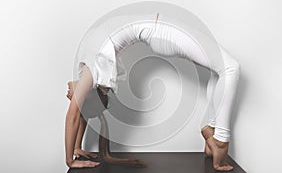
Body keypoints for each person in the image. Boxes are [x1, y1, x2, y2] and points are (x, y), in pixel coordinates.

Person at [65, 20, 240, 171]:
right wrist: (70, 161)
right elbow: (73, 115)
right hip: (162, 30)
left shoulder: (85, 70)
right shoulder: (91, 72)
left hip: (159, 30)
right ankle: (221, 140)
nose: (69, 95)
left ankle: (211, 128)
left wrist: (77, 147)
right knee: (230, 68)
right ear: (87, 94)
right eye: (74, 98)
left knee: (218, 71)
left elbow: (80, 113)